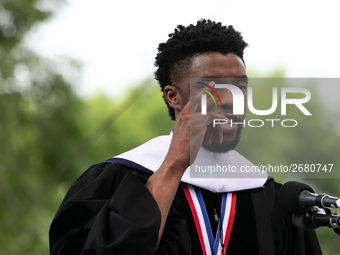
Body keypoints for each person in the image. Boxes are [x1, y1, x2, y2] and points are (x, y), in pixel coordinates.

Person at [49, 19, 322, 255]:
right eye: (213, 88)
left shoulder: (268, 195)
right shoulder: (116, 179)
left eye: (240, 87)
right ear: (173, 96)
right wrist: (175, 164)